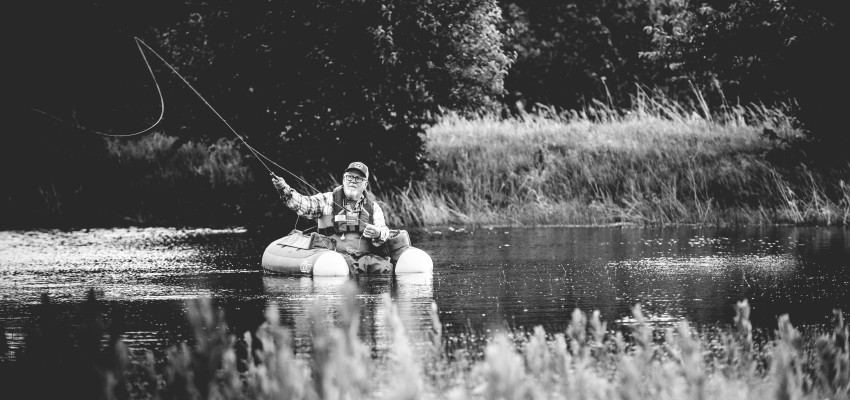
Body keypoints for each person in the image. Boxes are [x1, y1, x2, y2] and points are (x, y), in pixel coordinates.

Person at [271, 161, 393, 274]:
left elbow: (384, 231)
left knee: (382, 267)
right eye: (349, 177)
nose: (353, 181)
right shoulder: (327, 200)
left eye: (358, 179)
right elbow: (304, 205)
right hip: (333, 257)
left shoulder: (374, 208)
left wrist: (378, 233)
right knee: (346, 267)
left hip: (362, 257)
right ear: (344, 179)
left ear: (365, 184)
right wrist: (284, 189)